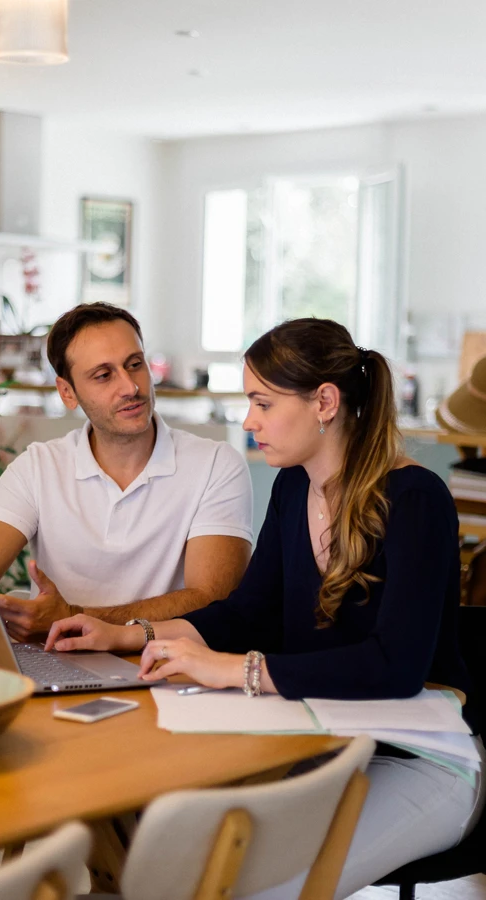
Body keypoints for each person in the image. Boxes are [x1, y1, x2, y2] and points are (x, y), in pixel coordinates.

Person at [44, 317, 485, 899]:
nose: (249, 421)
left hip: (420, 758)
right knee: (178, 854)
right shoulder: (294, 487)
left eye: (263, 403)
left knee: (247, 886)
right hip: (323, 742)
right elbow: (245, 615)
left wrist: (236, 670)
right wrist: (128, 634)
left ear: (324, 402)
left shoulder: (416, 499)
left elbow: (396, 667)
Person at [0, 302, 252, 660]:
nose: (130, 386)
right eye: (104, 375)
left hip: (166, 667)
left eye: (135, 364)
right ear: (67, 393)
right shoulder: (38, 467)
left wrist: (73, 617)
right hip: (58, 663)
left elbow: (212, 598)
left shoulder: (215, 464)